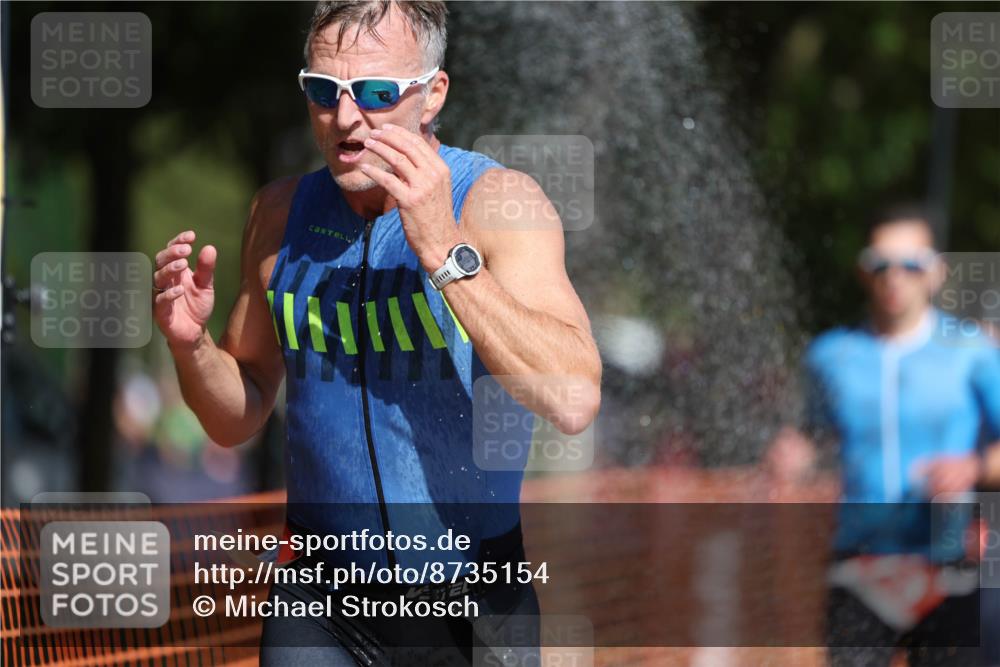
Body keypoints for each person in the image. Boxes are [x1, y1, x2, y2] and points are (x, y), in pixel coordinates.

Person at [152, 1, 601, 664]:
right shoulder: (280, 215)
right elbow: (236, 410)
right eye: (322, 92)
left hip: (469, 599)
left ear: (432, 94)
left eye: (377, 93)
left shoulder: (499, 205)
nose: (346, 118)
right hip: (318, 599)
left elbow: (573, 399)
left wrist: (447, 253)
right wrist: (191, 346)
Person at [767, 204, 1000, 666]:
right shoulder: (830, 356)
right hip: (860, 563)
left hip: (948, 563)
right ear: (863, 271)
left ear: (936, 273)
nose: (896, 276)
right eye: (882, 264)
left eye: (911, 264)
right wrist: (793, 455)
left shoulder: (971, 352)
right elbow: (811, 434)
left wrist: (972, 468)